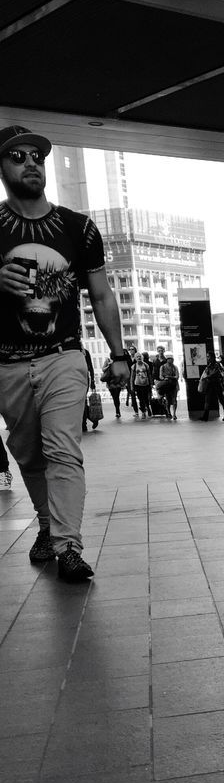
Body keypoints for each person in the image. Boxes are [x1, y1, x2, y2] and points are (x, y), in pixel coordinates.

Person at [0, 125, 129, 582]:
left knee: (63, 450)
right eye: (18, 156)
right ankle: (46, 525)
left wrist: (119, 354)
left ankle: (68, 546)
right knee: (29, 454)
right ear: (2, 167)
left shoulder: (79, 228)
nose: (30, 162)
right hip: (8, 363)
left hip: (63, 356)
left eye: (37, 155)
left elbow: (102, 295)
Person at [198, 356, 224, 421]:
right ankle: (205, 416)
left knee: (221, 399)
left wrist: (207, 376)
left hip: (216, 384)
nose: (208, 358)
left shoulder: (217, 365)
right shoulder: (209, 365)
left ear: (213, 357)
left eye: (209, 357)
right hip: (210, 384)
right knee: (207, 400)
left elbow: (217, 373)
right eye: (207, 357)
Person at [157, 353, 180, 419]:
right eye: (169, 359)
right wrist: (165, 378)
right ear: (167, 360)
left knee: (174, 400)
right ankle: (169, 412)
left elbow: (177, 376)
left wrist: (169, 377)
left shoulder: (175, 367)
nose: (171, 360)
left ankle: (174, 414)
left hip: (174, 385)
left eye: (172, 359)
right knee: (167, 400)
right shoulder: (163, 367)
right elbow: (160, 376)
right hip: (166, 385)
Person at [131, 352, 153, 419]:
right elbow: (132, 377)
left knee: (146, 398)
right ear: (135, 358)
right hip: (138, 384)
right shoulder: (134, 366)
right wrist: (132, 386)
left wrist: (151, 383)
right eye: (137, 357)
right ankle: (143, 412)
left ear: (142, 357)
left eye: (140, 356)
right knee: (140, 399)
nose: (139, 358)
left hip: (145, 384)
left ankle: (148, 408)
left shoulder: (146, 365)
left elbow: (149, 375)